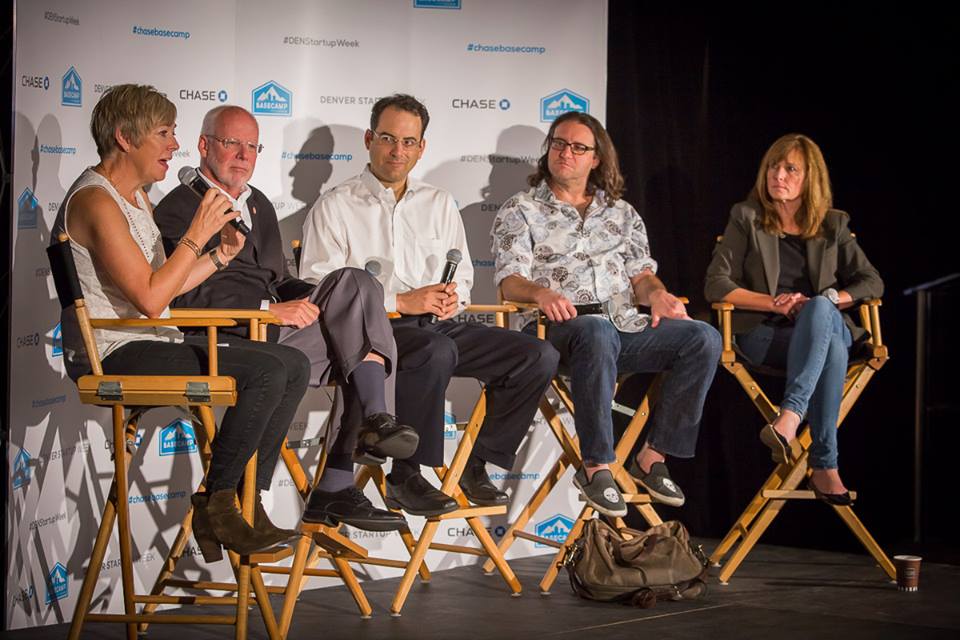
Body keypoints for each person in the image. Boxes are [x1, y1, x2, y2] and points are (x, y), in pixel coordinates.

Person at [52, 84, 308, 561]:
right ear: (125, 138)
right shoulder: (96, 202)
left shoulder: (135, 198)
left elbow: (164, 288)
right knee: (268, 369)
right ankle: (219, 504)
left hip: (147, 338)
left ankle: (242, 503)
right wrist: (196, 233)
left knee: (292, 362)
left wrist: (220, 255)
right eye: (164, 133)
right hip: (112, 351)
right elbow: (151, 299)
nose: (174, 145)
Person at [154, 105, 415, 532]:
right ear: (203, 146)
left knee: (356, 290)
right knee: (361, 342)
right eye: (231, 143)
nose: (242, 154)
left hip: (275, 334)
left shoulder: (257, 204)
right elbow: (180, 298)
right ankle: (338, 478)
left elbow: (276, 280)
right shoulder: (179, 208)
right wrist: (266, 311)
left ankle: (370, 425)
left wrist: (319, 300)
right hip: (227, 342)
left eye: (252, 146)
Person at [299, 94, 559, 516]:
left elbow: (467, 277)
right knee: (436, 350)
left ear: (421, 148)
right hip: (375, 334)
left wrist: (453, 298)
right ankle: (406, 476)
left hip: (438, 325)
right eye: (387, 138)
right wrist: (400, 300)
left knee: (537, 355)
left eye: (408, 142)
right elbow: (320, 289)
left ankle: (479, 462)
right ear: (369, 139)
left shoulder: (439, 203)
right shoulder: (335, 205)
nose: (397, 151)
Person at [493, 112, 721, 514]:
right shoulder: (521, 209)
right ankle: (597, 465)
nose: (566, 153)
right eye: (559, 144)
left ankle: (654, 456)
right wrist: (541, 292)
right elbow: (510, 281)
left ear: (596, 158)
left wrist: (660, 295)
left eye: (578, 147)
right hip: (556, 331)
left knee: (703, 338)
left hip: (622, 328)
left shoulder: (621, 213)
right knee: (595, 331)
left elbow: (642, 277)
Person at [704, 133, 883, 505]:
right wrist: (776, 303)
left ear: (810, 179)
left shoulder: (833, 225)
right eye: (773, 166)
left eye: (790, 169)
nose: (778, 175)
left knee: (821, 309)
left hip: (821, 327)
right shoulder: (747, 217)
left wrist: (832, 298)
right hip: (766, 337)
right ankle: (824, 464)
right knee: (831, 341)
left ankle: (789, 418)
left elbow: (872, 280)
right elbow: (716, 285)